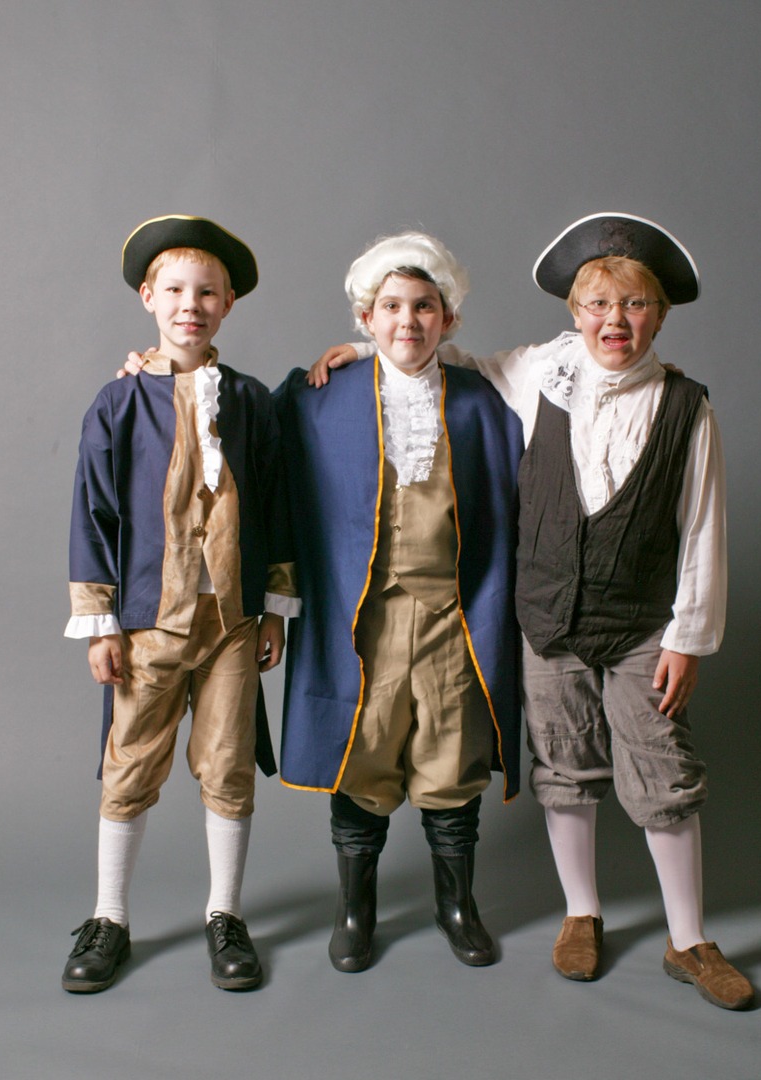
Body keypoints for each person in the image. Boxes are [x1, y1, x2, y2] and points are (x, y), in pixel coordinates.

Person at [310, 213, 754, 1010]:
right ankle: (578, 915)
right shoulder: (539, 372)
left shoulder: (687, 407)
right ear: (573, 312)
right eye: (596, 306)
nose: (613, 323)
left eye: (634, 307)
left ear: (659, 314)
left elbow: (704, 528)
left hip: (637, 625)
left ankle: (689, 939)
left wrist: (690, 637)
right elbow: (441, 358)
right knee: (561, 769)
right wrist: (361, 351)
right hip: (546, 621)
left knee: (660, 775)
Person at [276, 232, 523, 972]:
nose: (406, 322)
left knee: (454, 759)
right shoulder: (318, 399)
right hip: (364, 620)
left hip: (455, 615)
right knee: (364, 756)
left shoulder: (486, 402)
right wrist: (145, 371)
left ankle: (457, 904)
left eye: (424, 306)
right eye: (390, 307)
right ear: (364, 315)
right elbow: (249, 440)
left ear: (448, 319)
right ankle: (358, 910)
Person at [63, 215, 297, 994]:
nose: (190, 305)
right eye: (175, 291)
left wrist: (271, 607)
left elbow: (278, 506)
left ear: (228, 305)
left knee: (228, 764)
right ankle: (109, 917)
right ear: (148, 298)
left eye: (207, 293)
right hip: (146, 621)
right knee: (129, 764)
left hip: (229, 623)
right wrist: (99, 621)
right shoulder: (119, 402)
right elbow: (92, 510)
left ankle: (224, 914)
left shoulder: (255, 404)